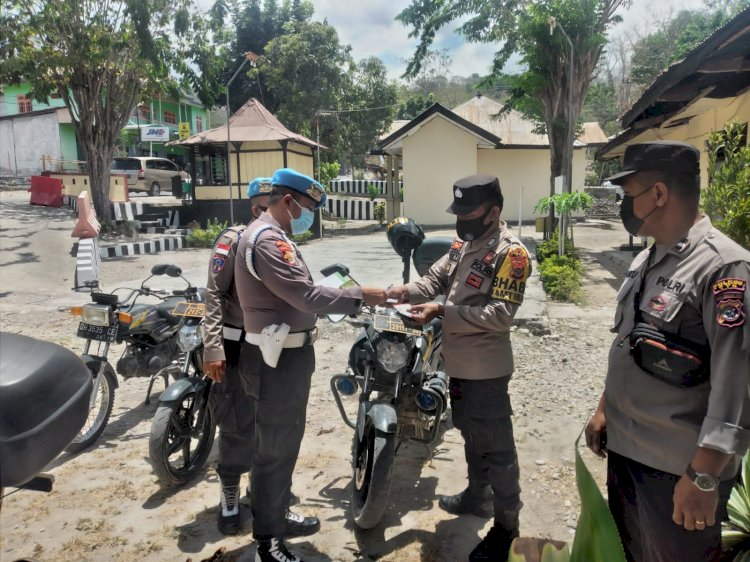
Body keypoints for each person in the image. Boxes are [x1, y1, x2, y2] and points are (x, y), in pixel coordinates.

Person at [584, 141, 750, 562]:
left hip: (679, 472)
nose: (625, 204)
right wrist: (604, 408)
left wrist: (704, 477)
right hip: (627, 455)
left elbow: (738, 385)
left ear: (659, 195)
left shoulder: (724, 267)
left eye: (629, 194)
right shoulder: (648, 260)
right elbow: (629, 341)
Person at [234, 168, 387, 562]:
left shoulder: (271, 235)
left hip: (284, 356)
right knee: (273, 450)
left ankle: (278, 514)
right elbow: (305, 295)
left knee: (281, 445)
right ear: (288, 201)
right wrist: (362, 295)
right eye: (307, 208)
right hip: (276, 359)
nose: (309, 216)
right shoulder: (268, 239)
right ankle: (269, 543)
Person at [386, 175, 531, 562]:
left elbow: (500, 316)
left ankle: (506, 528)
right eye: (459, 212)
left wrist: (442, 311)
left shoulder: (511, 254)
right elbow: (436, 278)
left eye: (469, 212)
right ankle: (476, 496)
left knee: (497, 449)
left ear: (494, 212)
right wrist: (405, 292)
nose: (461, 219)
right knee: (469, 432)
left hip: (486, 370)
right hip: (459, 364)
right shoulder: (465, 243)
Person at [203, 177, 304, 536]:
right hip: (234, 347)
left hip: (269, 348)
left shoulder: (280, 242)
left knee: (274, 426)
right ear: (253, 208)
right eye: (262, 205)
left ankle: (272, 497)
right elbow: (214, 295)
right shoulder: (234, 240)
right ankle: (230, 490)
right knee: (235, 422)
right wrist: (213, 347)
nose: (269, 212)